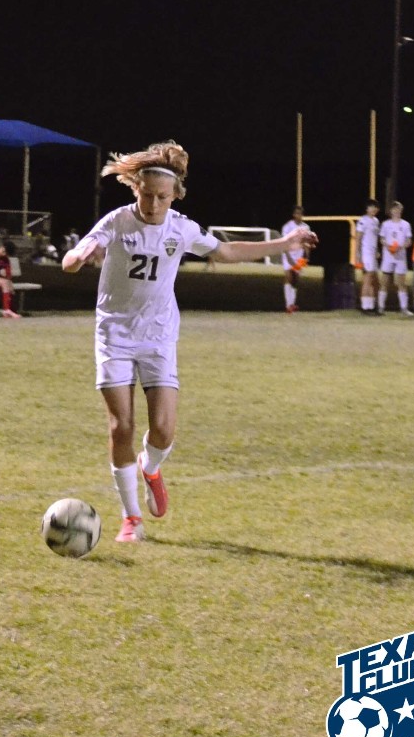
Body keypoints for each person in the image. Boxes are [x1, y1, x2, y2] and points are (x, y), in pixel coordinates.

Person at [62, 140, 317, 545]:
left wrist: (285, 245)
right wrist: (78, 256)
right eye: (146, 195)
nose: (152, 204)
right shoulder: (116, 222)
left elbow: (228, 250)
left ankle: (152, 467)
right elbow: (78, 253)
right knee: (120, 426)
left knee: (162, 430)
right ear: (136, 189)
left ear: (175, 195)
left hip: (159, 336)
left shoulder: (181, 227)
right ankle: (131, 518)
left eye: (162, 197)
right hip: (114, 334)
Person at [378, 200, 413, 315]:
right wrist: (388, 246)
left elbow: (409, 240)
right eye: (394, 209)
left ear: (401, 211)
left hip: (400, 256)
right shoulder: (386, 224)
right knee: (385, 282)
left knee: (401, 283)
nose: (397, 211)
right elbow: (382, 238)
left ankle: (404, 308)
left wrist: (401, 247)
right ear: (391, 211)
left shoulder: (405, 224)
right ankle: (381, 307)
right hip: (388, 256)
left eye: (399, 209)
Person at [355, 199, 381, 315]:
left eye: (375, 207)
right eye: (371, 207)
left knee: (373, 280)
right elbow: (358, 239)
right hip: (366, 253)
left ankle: (371, 306)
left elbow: (375, 238)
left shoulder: (376, 221)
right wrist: (358, 255)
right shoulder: (362, 221)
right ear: (366, 209)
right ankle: (364, 307)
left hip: (373, 253)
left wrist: (377, 251)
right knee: (367, 279)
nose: (373, 209)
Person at [280, 205, 308, 313]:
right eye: (297, 213)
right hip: (288, 254)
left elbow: (307, 243)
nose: (299, 215)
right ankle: (288, 305)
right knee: (288, 276)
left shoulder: (306, 227)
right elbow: (284, 243)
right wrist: (287, 256)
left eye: (300, 214)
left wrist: (306, 256)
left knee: (296, 279)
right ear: (293, 214)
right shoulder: (287, 227)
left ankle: (292, 303)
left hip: (299, 255)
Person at [0, 243, 21, 318]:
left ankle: (10, 309)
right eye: (2, 250)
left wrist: (8, 279)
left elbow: (8, 273)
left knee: (7, 285)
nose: (1, 253)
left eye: (4, 252)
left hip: (0, 279)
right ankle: (6, 309)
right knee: (4, 283)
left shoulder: (5, 259)